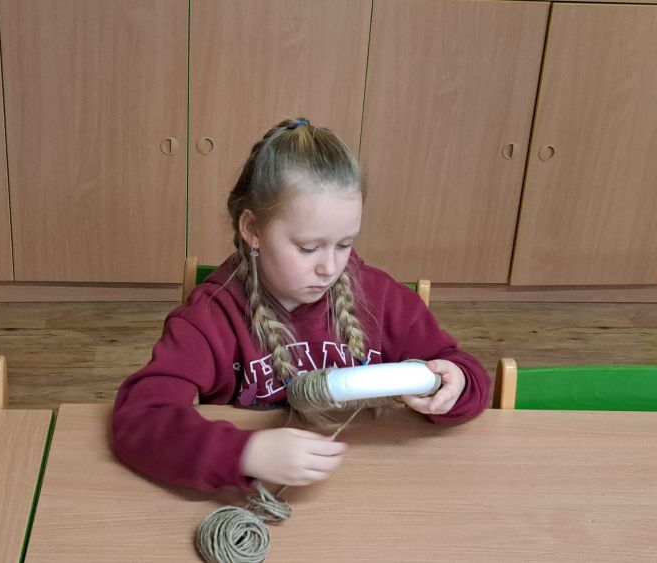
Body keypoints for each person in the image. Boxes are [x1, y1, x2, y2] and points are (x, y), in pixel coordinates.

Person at [111, 117, 490, 492]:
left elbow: (466, 373)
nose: (330, 267)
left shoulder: (383, 299)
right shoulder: (211, 318)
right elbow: (140, 420)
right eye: (309, 248)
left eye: (345, 244)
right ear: (252, 229)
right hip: (262, 498)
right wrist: (244, 454)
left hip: (370, 493)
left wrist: (456, 385)